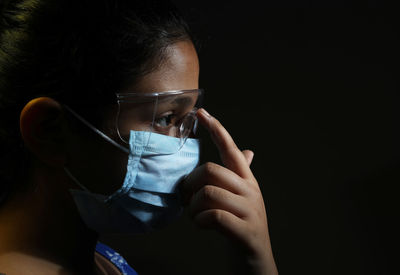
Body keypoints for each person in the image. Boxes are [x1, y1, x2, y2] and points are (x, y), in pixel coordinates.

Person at [0, 0, 278, 274]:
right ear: (49, 131)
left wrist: (254, 259)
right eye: (165, 118)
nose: (182, 149)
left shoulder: (104, 262)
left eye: (186, 120)